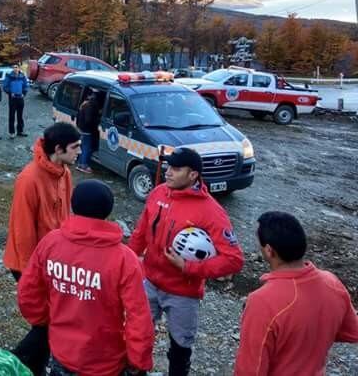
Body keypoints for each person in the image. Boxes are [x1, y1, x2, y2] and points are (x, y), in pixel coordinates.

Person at [18, 180, 154, 376]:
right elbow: (138, 316)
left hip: (62, 351)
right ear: (108, 210)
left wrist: (44, 321)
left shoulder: (51, 243)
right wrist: (138, 360)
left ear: (73, 204)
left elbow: (28, 291)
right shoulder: (124, 258)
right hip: (106, 360)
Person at [128, 147, 244, 376]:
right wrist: (129, 263)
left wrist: (190, 267)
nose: (168, 172)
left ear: (193, 175)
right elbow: (141, 232)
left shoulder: (211, 211)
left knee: (180, 346)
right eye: (169, 166)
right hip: (148, 282)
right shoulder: (159, 193)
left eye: (176, 169)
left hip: (183, 292)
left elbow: (234, 259)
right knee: (137, 335)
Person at [234, 211, 358, 375]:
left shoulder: (262, 301)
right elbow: (352, 331)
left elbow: (251, 369)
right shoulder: (332, 282)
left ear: (269, 250)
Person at [3, 122, 81, 375]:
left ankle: (34, 368)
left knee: (52, 321)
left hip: (54, 261)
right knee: (49, 323)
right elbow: (22, 231)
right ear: (58, 149)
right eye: (75, 147)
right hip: (29, 263)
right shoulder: (29, 179)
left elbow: (66, 217)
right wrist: (31, 275)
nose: (80, 151)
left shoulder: (64, 172)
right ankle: (13, 363)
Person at [75, 90, 101, 174]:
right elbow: (89, 120)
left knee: (82, 147)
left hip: (81, 128)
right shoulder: (90, 106)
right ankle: (83, 165)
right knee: (87, 148)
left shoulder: (84, 104)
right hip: (87, 130)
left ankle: (79, 162)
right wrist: (96, 123)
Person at [2, 64, 29, 139]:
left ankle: (20, 131)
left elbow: (26, 85)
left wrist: (24, 93)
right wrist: (10, 93)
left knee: (20, 115)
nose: (15, 69)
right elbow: (5, 86)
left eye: (16, 67)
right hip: (12, 98)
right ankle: (12, 132)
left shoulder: (22, 76)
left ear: (19, 68)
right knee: (12, 115)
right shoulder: (9, 76)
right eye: (13, 67)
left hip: (20, 98)